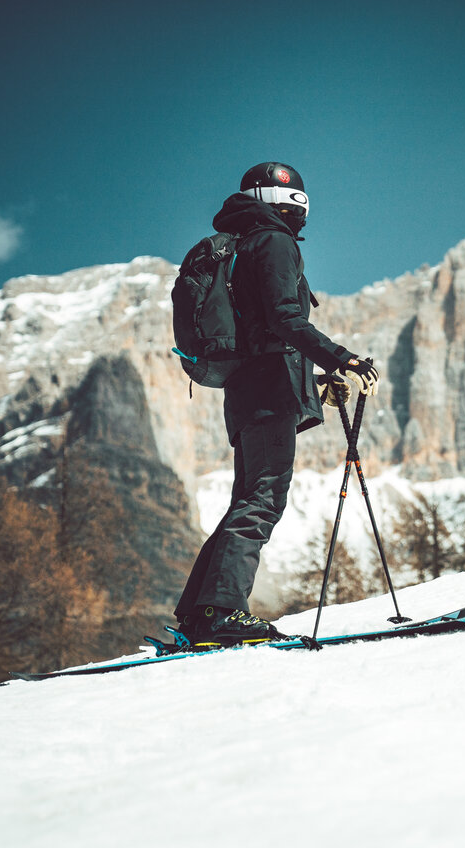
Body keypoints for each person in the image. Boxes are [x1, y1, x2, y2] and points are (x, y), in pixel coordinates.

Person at [173, 162, 380, 647]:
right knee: (262, 502)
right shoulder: (273, 241)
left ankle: (199, 616)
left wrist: (313, 381)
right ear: (287, 204)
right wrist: (343, 359)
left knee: (247, 501)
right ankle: (221, 612)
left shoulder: (239, 245)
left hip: (245, 392)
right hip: (267, 395)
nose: (303, 213)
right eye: (298, 204)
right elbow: (286, 321)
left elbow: (258, 336)